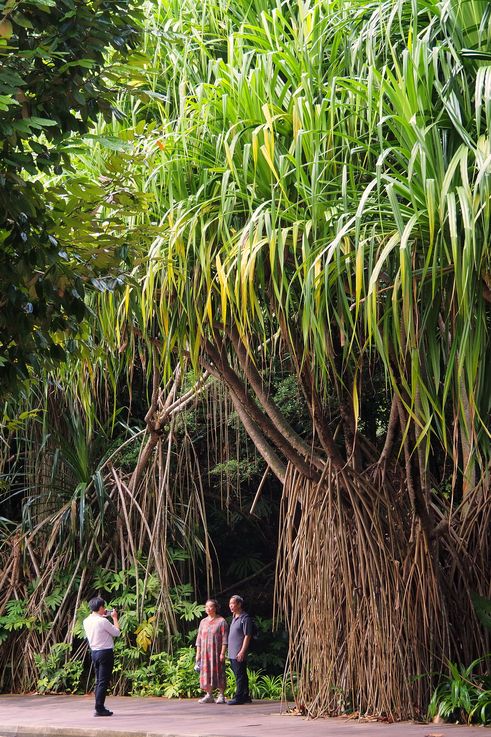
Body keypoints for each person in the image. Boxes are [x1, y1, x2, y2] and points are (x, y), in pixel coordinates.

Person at [83, 596, 120, 717]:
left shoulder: (86, 621)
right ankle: (99, 708)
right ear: (100, 608)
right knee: (103, 681)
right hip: (105, 653)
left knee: (99, 681)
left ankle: (99, 705)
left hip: (95, 652)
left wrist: (102, 617)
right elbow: (116, 632)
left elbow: (98, 626)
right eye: (103, 607)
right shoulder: (103, 621)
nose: (105, 609)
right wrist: (114, 618)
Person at [195, 598, 228, 703]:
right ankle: (209, 695)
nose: (208, 608)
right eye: (206, 607)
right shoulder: (203, 622)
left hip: (216, 653)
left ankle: (221, 695)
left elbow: (225, 639)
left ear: (215, 608)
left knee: (219, 672)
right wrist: (198, 653)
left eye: (210, 606)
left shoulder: (221, 621)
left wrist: (222, 653)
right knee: (206, 673)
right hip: (205, 654)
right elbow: (199, 639)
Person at [227, 594, 253, 705]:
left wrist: (242, 651)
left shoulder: (245, 618)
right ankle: (245, 695)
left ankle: (239, 697)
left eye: (233, 603)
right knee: (241, 674)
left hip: (239, 651)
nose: (231, 606)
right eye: (230, 604)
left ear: (239, 604)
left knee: (239, 675)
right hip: (232, 652)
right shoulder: (234, 617)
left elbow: (247, 635)